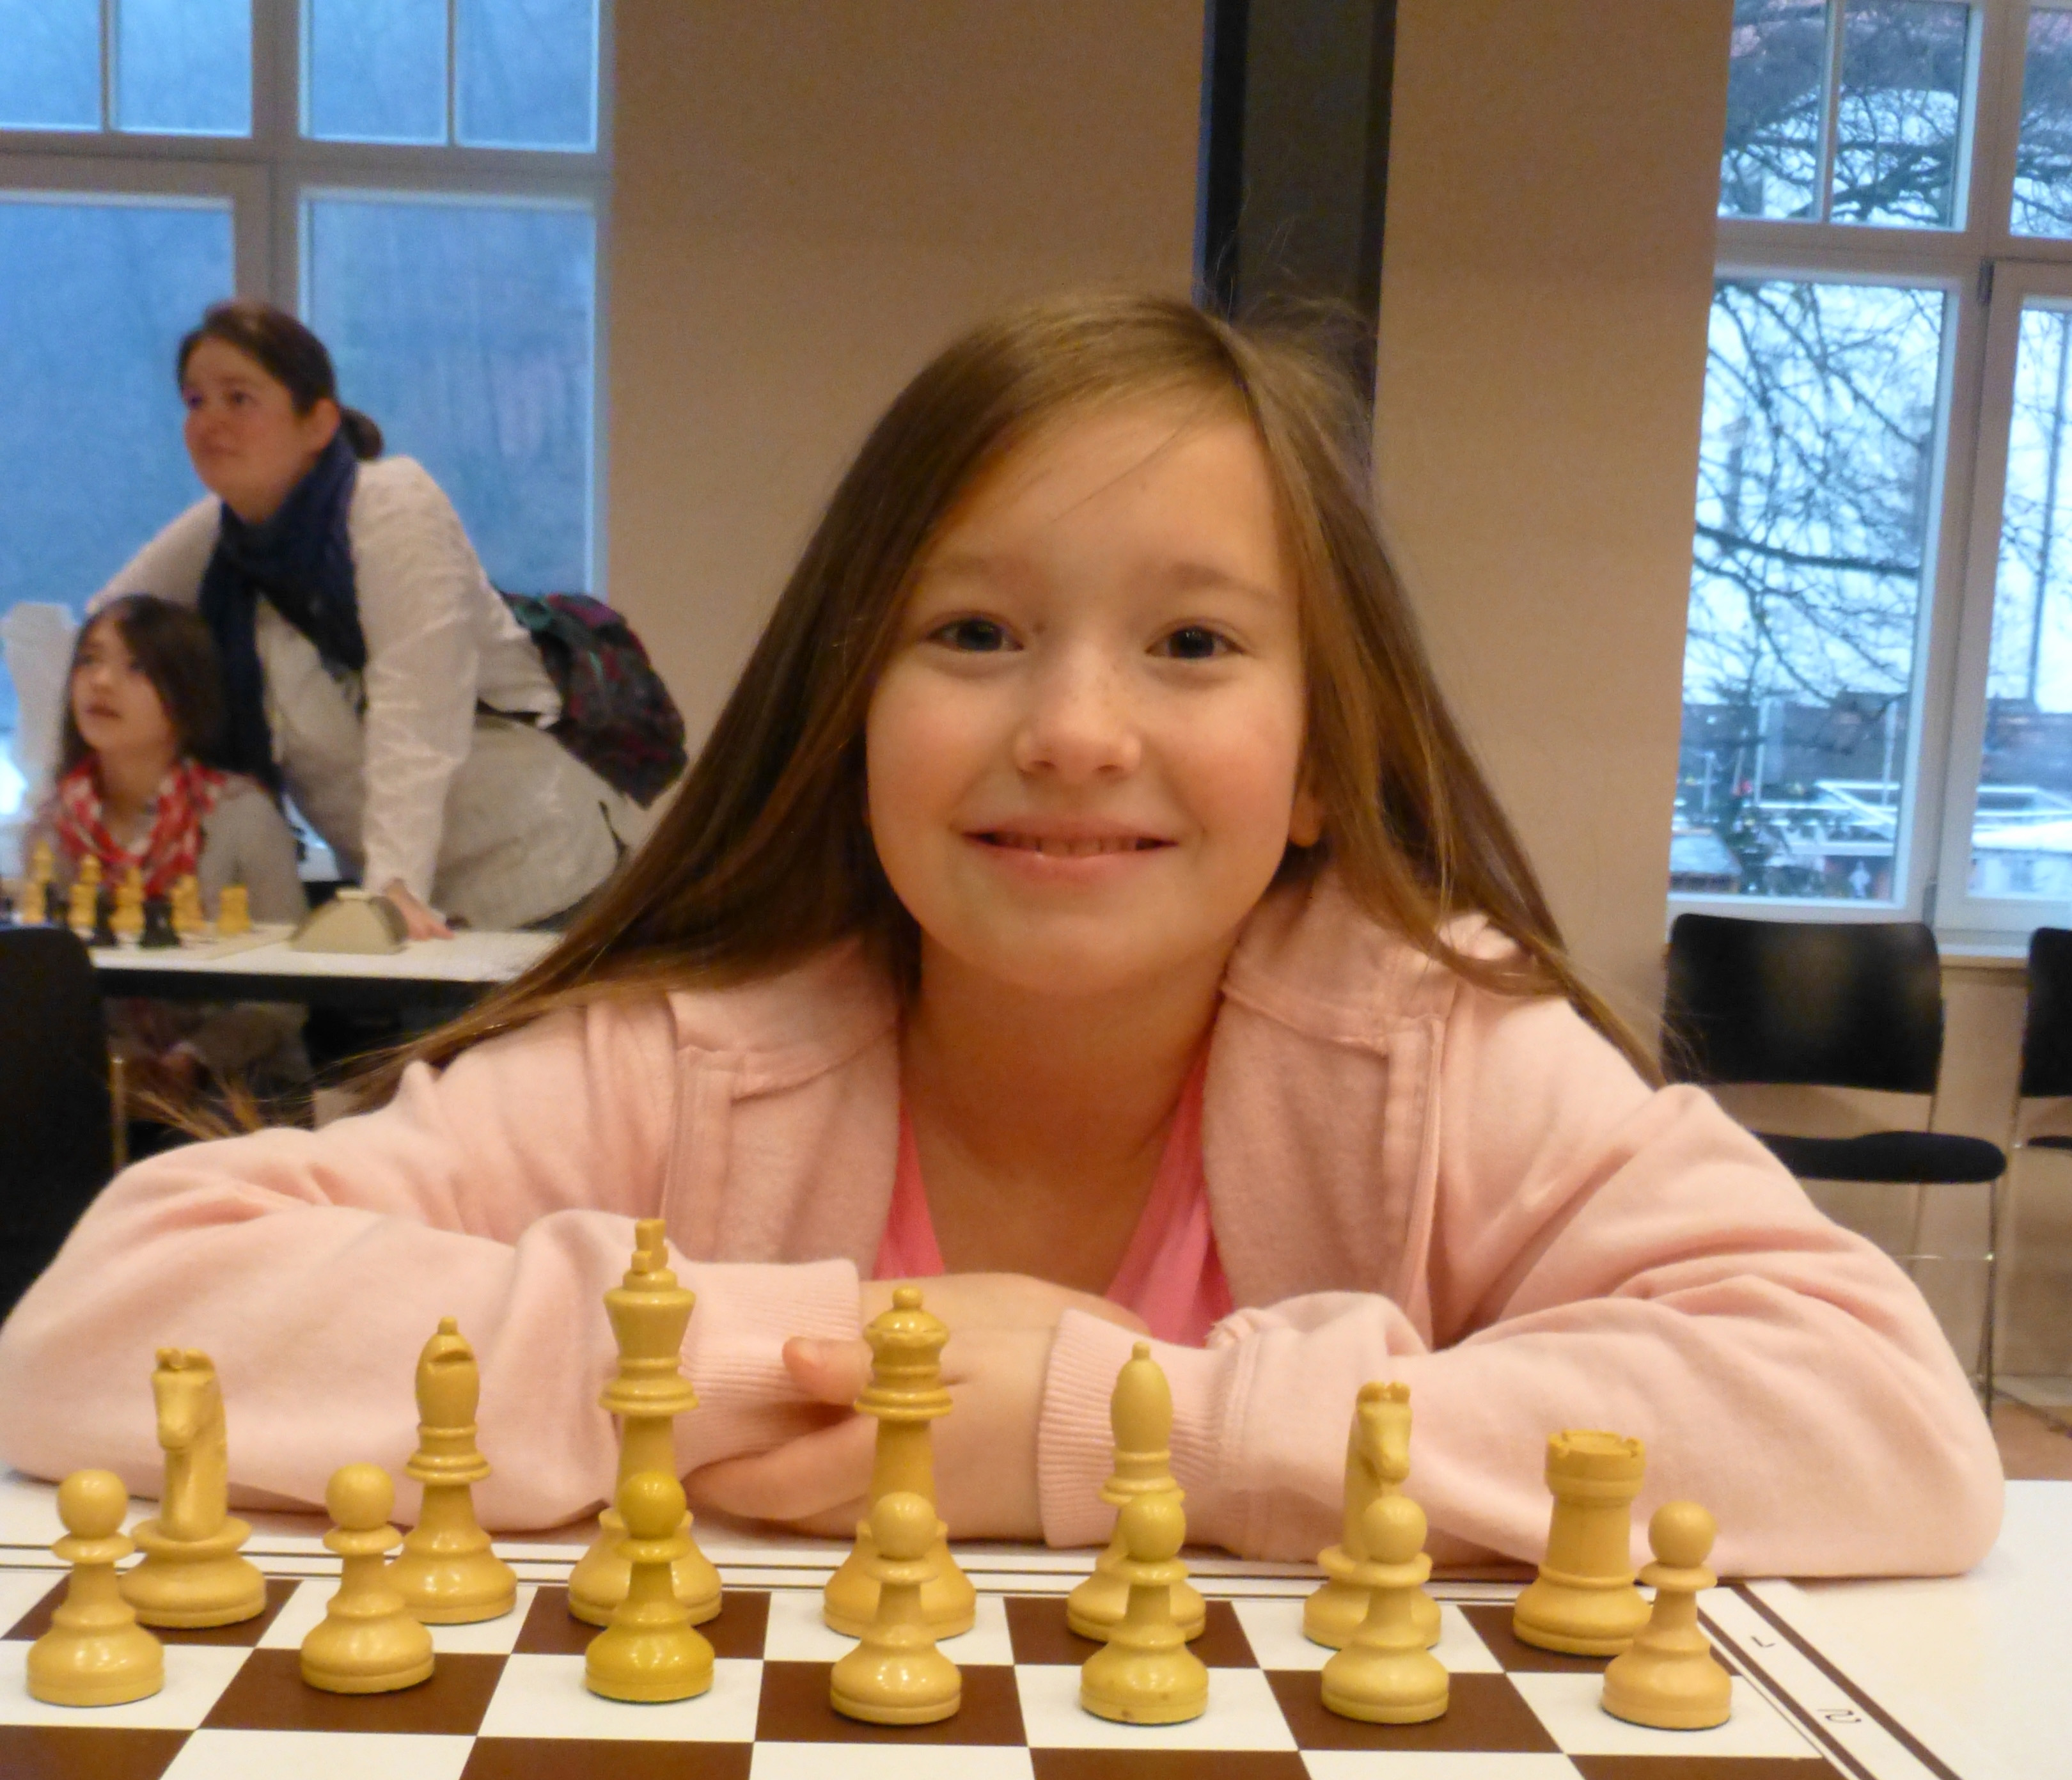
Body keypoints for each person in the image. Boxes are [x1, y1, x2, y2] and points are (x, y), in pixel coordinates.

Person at [0, 294, 2004, 1575]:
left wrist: (1119, 1423)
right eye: (972, 632)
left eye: (1195, 643)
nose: (1073, 731)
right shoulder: (698, 1052)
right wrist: (808, 1374)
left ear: (1324, 758)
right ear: (852, 706)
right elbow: (99, 1331)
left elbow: (1886, 1423)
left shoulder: (1431, 1051)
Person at [95, 301, 631, 939]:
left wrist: (392, 892)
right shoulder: (220, 543)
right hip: (399, 891)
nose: (210, 421)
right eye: (194, 400)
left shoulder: (393, 505)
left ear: (318, 422)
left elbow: (417, 713)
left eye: (239, 398)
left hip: (539, 866)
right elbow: (109, 631)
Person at [33, 594, 312, 1107]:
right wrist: (122, 1066)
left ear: (187, 695)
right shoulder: (54, 827)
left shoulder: (241, 815)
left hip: (244, 1093)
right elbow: (48, 994)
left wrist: (191, 1061)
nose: (101, 681)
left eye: (137, 667)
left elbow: (285, 995)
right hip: (104, 1093)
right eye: (89, 660)